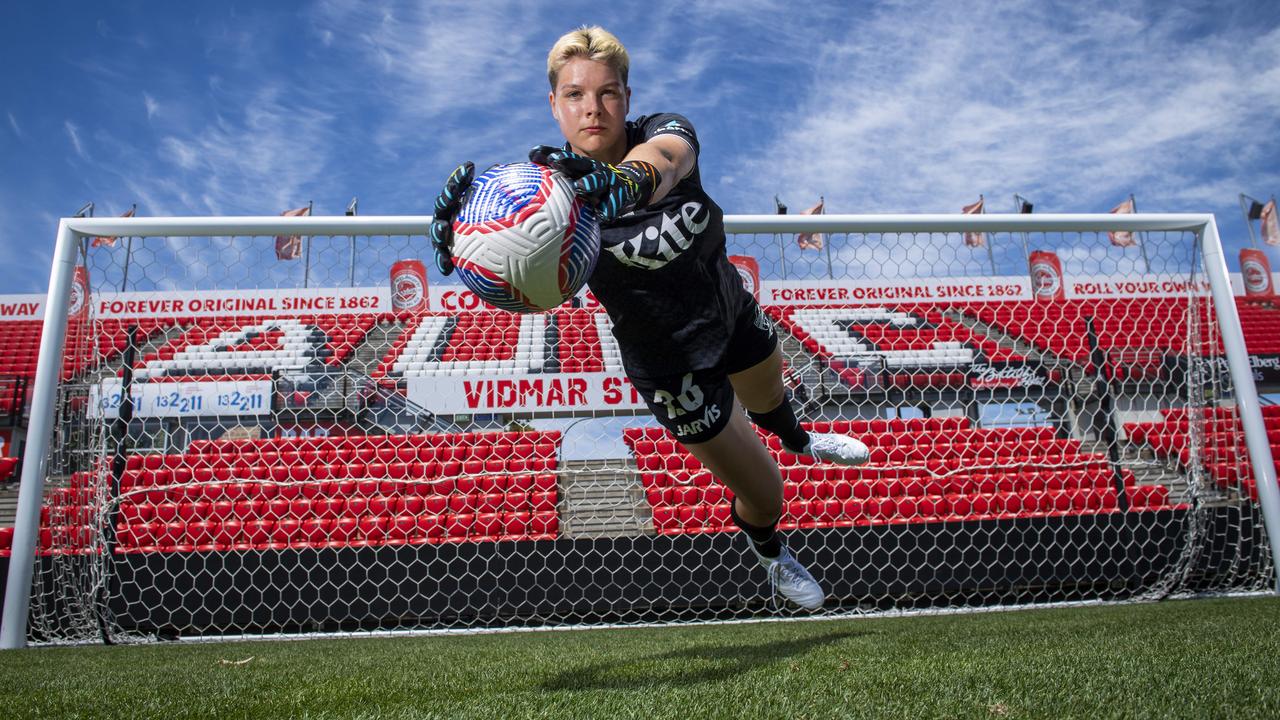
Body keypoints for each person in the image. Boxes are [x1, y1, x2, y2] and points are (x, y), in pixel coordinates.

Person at [428, 26, 869, 609]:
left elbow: (667, 158)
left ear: (628, 99)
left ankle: (801, 438)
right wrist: (470, 248)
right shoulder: (544, 197)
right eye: (575, 95)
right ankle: (772, 555)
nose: (593, 108)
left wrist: (630, 179)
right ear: (554, 106)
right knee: (767, 493)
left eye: (608, 92)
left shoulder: (665, 130)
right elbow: (533, 278)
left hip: (728, 308)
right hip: (670, 365)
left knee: (770, 398)